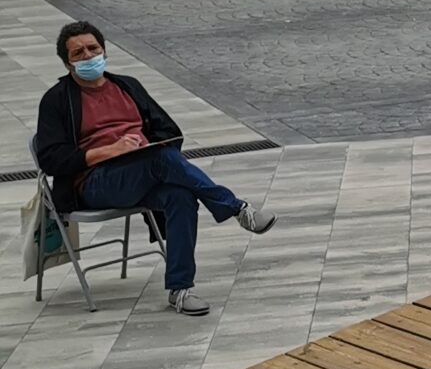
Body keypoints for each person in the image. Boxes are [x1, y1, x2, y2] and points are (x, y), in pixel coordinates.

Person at [33, 21, 274, 318]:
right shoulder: (57, 99)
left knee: (181, 196)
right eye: (78, 53)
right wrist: (111, 150)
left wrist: (143, 144)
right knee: (160, 159)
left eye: (93, 48)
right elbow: (51, 159)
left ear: (104, 50)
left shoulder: (127, 86)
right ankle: (237, 208)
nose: (88, 56)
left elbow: (169, 131)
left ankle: (180, 290)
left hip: (140, 170)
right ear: (67, 62)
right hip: (94, 182)